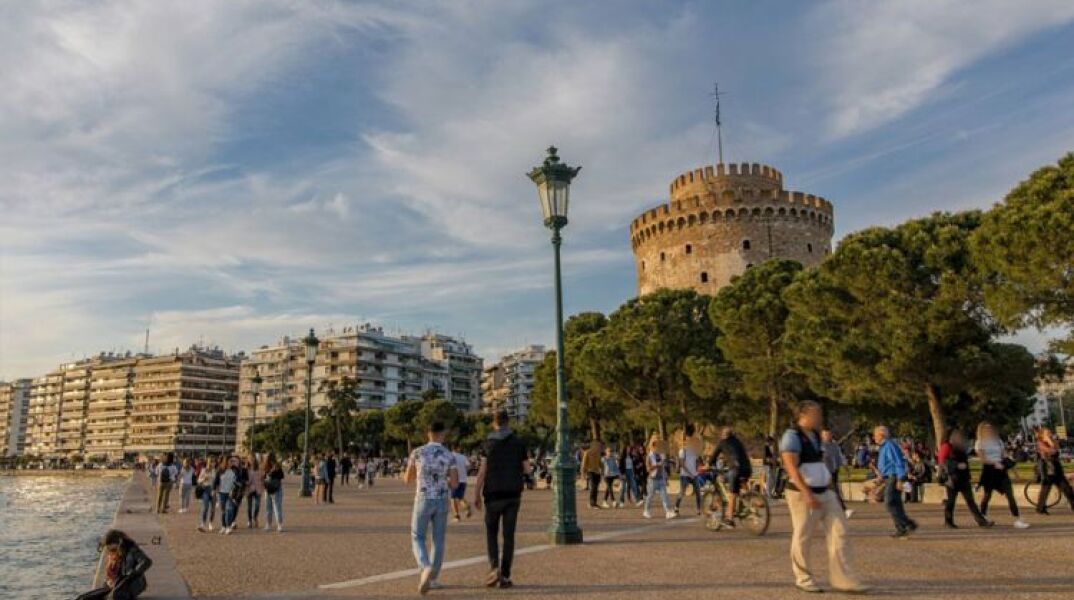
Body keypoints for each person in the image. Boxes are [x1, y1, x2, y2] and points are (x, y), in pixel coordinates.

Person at [781, 401, 868, 594]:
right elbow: (791, 466)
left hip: (825, 491)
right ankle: (803, 578)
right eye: (815, 414)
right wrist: (806, 492)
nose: (819, 417)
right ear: (803, 415)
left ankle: (843, 578)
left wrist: (830, 488)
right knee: (803, 535)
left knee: (840, 531)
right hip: (802, 492)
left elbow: (820, 463)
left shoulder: (815, 435)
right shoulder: (792, 436)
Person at [473, 410, 529, 589]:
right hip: (513, 494)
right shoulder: (518, 443)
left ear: (494, 423)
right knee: (508, 535)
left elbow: (482, 472)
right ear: (508, 423)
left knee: (491, 533)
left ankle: (494, 568)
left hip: (493, 494)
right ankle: (505, 574)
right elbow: (527, 468)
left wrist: (476, 493)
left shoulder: (487, 444)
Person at [405, 421, 459, 595]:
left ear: (428, 434)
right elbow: (455, 483)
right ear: (442, 434)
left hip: (423, 498)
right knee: (438, 539)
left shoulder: (417, 452)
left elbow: (408, 479)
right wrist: (443, 482)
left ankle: (425, 566)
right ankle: (433, 578)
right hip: (442, 499)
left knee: (418, 536)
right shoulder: (449, 455)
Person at [975, 423, 1029, 529]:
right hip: (989, 471)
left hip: (1001, 470)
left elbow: (1004, 456)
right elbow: (983, 459)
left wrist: (1014, 471)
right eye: (986, 429)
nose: (989, 431)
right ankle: (983, 516)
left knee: (1010, 495)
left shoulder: (998, 441)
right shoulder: (980, 443)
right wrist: (994, 463)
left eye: (990, 428)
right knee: (987, 496)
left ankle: (1017, 519)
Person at [75, 530, 152, 600]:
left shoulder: (132, 549)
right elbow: (111, 576)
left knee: (115, 596)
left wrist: (131, 575)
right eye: (110, 550)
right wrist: (109, 582)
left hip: (133, 584)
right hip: (117, 585)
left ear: (119, 544)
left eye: (113, 549)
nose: (111, 551)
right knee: (82, 598)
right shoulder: (114, 555)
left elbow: (146, 561)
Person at [938, 428, 992, 529]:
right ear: (950, 436)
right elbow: (942, 462)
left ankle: (982, 521)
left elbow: (966, 461)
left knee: (971, 501)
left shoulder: (961, 447)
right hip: (952, 479)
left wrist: (968, 474)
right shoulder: (946, 446)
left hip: (963, 478)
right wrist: (957, 465)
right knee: (951, 502)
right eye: (955, 435)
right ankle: (948, 521)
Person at [874, 425, 917, 538]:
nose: (874, 438)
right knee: (896, 503)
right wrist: (881, 477)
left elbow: (898, 462)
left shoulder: (889, 445)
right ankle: (904, 527)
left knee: (889, 502)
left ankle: (905, 524)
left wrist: (900, 479)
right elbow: (887, 464)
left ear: (882, 435)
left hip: (894, 477)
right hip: (889, 476)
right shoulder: (884, 446)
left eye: (876, 435)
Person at [709, 426, 752, 527]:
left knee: (730, 490)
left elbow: (713, 457)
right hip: (747, 469)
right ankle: (747, 500)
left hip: (735, 469)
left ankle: (730, 519)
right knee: (739, 483)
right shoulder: (737, 441)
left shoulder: (722, 442)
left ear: (723, 435)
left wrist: (708, 465)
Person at [1035, 426, 1074, 514]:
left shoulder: (1053, 441)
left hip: (1056, 468)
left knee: (1067, 489)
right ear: (1042, 435)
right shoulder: (1040, 443)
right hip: (1047, 469)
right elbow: (1052, 451)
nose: (1050, 434)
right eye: (1047, 433)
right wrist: (1049, 441)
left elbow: (1057, 448)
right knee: (1045, 490)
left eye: (1050, 432)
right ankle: (1040, 509)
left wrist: (1051, 441)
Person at [820, 429, 852, 518]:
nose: (828, 436)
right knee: (833, 490)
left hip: (834, 470)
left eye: (829, 434)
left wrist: (845, 467)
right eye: (826, 435)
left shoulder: (835, 445)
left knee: (832, 490)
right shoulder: (820, 446)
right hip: (824, 471)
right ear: (822, 436)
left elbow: (840, 456)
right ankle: (843, 510)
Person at [673, 425, 703, 517]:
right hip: (685, 475)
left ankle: (699, 510)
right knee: (682, 493)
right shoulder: (682, 451)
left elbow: (697, 461)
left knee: (698, 493)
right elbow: (682, 464)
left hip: (694, 475)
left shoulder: (695, 451)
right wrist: (690, 474)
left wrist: (698, 469)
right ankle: (676, 508)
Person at [643, 438, 673, 519]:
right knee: (650, 496)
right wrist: (657, 465)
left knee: (664, 496)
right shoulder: (649, 456)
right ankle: (646, 511)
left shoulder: (660, 456)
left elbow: (663, 468)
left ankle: (667, 512)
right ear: (653, 447)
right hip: (652, 480)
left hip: (661, 479)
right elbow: (648, 469)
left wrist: (666, 478)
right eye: (657, 447)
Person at [217, 456, 240, 535]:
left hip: (231, 493)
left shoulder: (235, 470)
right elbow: (216, 480)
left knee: (229, 509)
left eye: (233, 461)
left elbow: (238, 481)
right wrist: (214, 489)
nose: (232, 462)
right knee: (223, 511)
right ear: (226, 462)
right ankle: (223, 526)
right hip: (222, 493)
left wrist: (236, 487)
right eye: (230, 461)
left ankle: (228, 527)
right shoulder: (220, 470)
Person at [262, 452, 285, 532]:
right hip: (268, 489)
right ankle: (269, 524)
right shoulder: (265, 467)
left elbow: (281, 476)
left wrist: (275, 471)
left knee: (277, 507)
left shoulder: (277, 466)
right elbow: (264, 477)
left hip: (276, 489)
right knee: (269, 508)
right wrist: (271, 472)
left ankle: (279, 524)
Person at [451, 445, 471, 521]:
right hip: (463, 480)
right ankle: (467, 508)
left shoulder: (450, 456)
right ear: (457, 448)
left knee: (453, 498)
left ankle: (456, 516)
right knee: (460, 497)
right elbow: (468, 466)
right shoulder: (463, 457)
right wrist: (463, 471)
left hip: (454, 480)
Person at [581, 440, 603, 509]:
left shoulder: (598, 453)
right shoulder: (587, 452)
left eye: (599, 446)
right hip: (590, 471)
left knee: (596, 488)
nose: (598, 447)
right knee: (593, 487)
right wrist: (583, 473)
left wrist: (603, 470)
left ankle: (594, 503)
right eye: (597, 445)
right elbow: (583, 464)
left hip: (597, 472)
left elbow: (600, 463)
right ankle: (591, 503)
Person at [196, 458, 217, 532]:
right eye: (211, 462)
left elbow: (217, 482)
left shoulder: (215, 471)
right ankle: (203, 524)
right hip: (205, 489)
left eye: (214, 462)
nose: (212, 463)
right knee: (205, 507)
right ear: (208, 463)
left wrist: (216, 490)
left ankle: (211, 523)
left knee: (213, 509)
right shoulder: (204, 470)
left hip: (213, 490)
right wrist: (204, 479)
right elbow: (198, 480)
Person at [246, 455, 264, 529]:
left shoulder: (259, 469)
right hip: (249, 489)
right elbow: (245, 479)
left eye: (252, 459)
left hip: (258, 489)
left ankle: (255, 517)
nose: (251, 461)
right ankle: (249, 520)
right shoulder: (247, 469)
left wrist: (262, 487)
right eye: (250, 459)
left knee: (257, 505)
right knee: (249, 507)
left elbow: (262, 479)